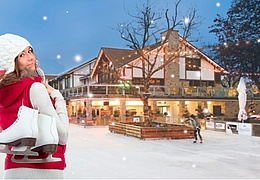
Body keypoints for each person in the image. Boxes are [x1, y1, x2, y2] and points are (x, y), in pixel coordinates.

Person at [0, 33, 69, 179]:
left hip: (13, 169)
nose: (30, 57)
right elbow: (62, 136)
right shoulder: (35, 89)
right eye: (22, 55)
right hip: (46, 169)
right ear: (11, 61)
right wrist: (58, 97)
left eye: (30, 51)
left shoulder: (3, 94)